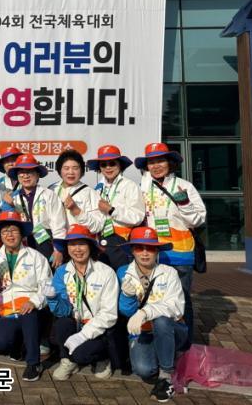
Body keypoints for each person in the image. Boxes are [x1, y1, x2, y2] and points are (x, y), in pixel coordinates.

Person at [135, 142, 206, 344]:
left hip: (180, 254)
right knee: (152, 298)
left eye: (161, 161)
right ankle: (160, 342)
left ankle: (183, 345)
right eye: (151, 162)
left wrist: (183, 203)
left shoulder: (185, 186)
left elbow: (199, 220)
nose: (156, 166)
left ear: (170, 163)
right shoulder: (143, 188)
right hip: (152, 255)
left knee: (181, 300)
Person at [0, 211, 51, 382]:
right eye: (5, 231)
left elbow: (47, 286)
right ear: (0, 236)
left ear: (22, 233)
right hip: (7, 312)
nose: (9, 235)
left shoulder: (36, 257)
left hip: (32, 310)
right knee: (0, 343)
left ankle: (34, 363)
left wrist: (34, 302)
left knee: (29, 315)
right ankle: (18, 345)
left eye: (14, 230)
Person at [117, 226, 188, 403]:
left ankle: (166, 373)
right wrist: (126, 297)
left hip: (172, 328)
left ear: (157, 251)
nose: (144, 253)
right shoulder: (123, 272)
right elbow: (126, 312)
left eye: (150, 248)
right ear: (132, 251)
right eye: (139, 248)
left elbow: (175, 307)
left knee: (162, 320)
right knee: (144, 370)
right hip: (143, 331)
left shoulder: (169, 272)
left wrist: (145, 312)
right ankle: (166, 353)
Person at [47, 224, 118, 381]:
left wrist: (83, 335)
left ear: (90, 246)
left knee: (81, 354)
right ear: (67, 248)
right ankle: (68, 360)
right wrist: (52, 299)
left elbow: (109, 314)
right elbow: (63, 311)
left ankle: (102, 358)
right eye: (72, 244)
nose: (77, 249)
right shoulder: (62, 272)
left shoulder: (106, 272)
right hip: (75, 323)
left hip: (98, 328)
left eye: (81, 244)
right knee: (62, 324)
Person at [86, 145, 145, 270]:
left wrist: (112, 210)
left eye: (112, 163)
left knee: (123, 277)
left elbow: (137, 217)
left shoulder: (130, 186)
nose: (108, 167)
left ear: (120, 165)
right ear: (99, 168)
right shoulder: (98, 188)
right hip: (100, 242)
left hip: (122, 243)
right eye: (103, 165)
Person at [6, 153, 67, 266]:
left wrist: (58, 249)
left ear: (38, 174)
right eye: (21, 172)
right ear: (17, 176)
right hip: (22, 244)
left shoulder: (49, 195)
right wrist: (8, 205)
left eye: (30, 171)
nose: (26, 176)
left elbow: (58, 224)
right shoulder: (12, 198)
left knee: (47, 273)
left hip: (45, 244)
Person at [49, 149, 106, 238]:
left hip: (78, 243)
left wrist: (76, 211)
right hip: (55, 242)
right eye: (66, 168)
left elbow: (97, 226)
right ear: (60, 170)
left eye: (75, 168)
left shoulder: (90, 193)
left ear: (82, 170)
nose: (71, 172)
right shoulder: (51, 190)